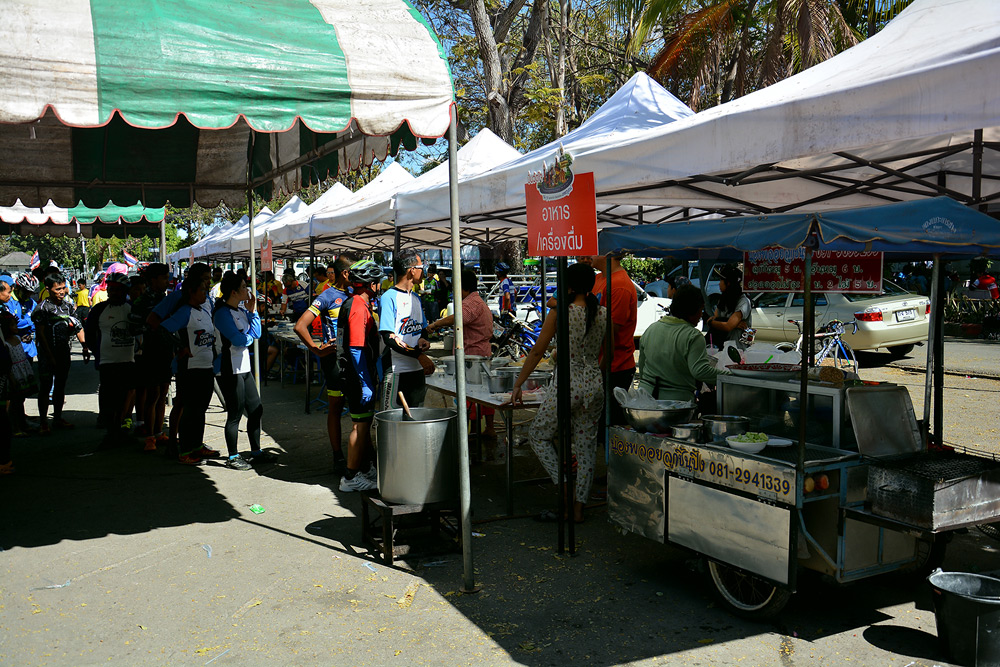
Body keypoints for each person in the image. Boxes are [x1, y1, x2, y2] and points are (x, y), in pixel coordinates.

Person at [509, 262, 606, 524]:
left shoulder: (561, 312)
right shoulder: (602, 313)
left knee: (538, 435)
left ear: (568, 286)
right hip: (594, 385)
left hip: (568, 383)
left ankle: (564, 490)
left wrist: (518, 383)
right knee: (586, 448)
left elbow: (537, 351)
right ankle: (578, 507)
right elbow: (605, 352)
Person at [295, 253, 355, 475]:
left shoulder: (355, 292)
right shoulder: (327, 295)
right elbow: (300, 326)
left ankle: (360, 455)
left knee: (359, 410)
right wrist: (316, 349)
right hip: (334, 361)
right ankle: (337, 456)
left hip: (356, 359)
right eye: (354, 271)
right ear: (345, 273)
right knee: (336, 409)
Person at [427, 268, 498, 448]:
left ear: (463, 287)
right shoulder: (476, 301)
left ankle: (475, 431)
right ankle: (488, 428)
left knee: (471, 394)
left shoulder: (471, 303)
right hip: (480, 353)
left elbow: (458, 318)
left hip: (473, 356)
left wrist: (435, 324)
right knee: (483, 393)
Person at [214, 271, 274, 470]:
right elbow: (239, 340)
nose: (247, 290)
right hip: (229, 368)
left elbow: (256, 333)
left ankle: (256, 451)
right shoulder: (222, 313)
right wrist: (246, 338)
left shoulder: (240, 310)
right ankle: (233, 456)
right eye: (243, 287)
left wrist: (252, 311)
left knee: (256, 409)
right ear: (233, 292)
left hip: (243, 366)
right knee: (235, 413)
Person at [159, 276, 222, 465]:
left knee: (200, 410)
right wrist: (180, 347)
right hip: (190, 368)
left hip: (206, 366)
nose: (205, 293)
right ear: (191, 293)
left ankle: (196, 445)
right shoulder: (185, 312)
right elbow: (163, 329)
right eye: (202, 290)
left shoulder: (204, 310)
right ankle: (185, 451)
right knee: (190, 410)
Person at [337, 260, 383, 492]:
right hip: (356, 376)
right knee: (360, 427)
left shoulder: (356, 302)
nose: (380, 286)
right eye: (378, 282)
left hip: (354, 374)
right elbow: (356, 348)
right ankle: (350, 477)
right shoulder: (357, 306)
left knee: (363, 423)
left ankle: (365, 468)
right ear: (370, 284)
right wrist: (365, 382)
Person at [637, 284, 723, 403]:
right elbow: (700, 371)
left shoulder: (651, 329)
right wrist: (730, 376)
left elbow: (642, 366)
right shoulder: (693, 336)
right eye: (701, 309)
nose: (701, 314)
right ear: (692, 310)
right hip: (676, 403)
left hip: (645, 397)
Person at [85, 273, 139, 445]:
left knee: (124, 398)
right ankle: (110, 432)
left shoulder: (132, 308)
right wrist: (97, 352)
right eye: (111, 289)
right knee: (109, 398)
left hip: (128, 362)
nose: (114, 292)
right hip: (107, 363)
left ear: (125, 291)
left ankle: (120, 430)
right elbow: (89, 334)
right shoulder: (99, 310)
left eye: (118, 289)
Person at [32, 272, 88, 435]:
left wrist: (84, 347)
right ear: (48, 289)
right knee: (45, 387)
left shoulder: (68, 306)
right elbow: (40, 334)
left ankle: (57, 418)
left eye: (63, 288)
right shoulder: (42, 309)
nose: (62, 292)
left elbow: (78, 327)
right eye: (58, 289)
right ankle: (43, 422)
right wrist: (49, 356)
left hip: (63, 353)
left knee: (60, 386)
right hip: (46, 355)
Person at [379, 249, 434, 411]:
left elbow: (422, 329)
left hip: (417, 370)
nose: (424, 271)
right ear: (412, 270)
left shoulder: (416, 298)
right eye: (422, 267)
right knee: (392, 419)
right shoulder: (389, 297)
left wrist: (423, 339)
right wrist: (419, 355)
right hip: (397, 370)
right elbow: (389, 337)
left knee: (416, 417)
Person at [592, 253, 638, 432]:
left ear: (607, 254)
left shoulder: (620, 286)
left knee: (608, 425)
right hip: (599, 363)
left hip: (615, 366)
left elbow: (612, 331)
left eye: (596, 249)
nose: (590, 253)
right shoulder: (598, 278)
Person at [130, 263, 173, 451]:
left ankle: (159, 432)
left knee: (163, 392)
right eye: (164, 278)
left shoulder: (166, 299)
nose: (167, 281)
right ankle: (149, 436)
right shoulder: (142, 301)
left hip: (166, 351)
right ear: (153, 280)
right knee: (152, 394)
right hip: (148, 352)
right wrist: (151, 327)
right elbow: (133, 328)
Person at [705, 264, 752, 349]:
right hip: (721, 346)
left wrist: (711, 322)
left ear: (728, 283)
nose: (719, 283)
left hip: (738, 349)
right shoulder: (723, 300)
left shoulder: (743, 301)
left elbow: (728, 326)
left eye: (721, 280)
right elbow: (716, 318)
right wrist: (732, 323)